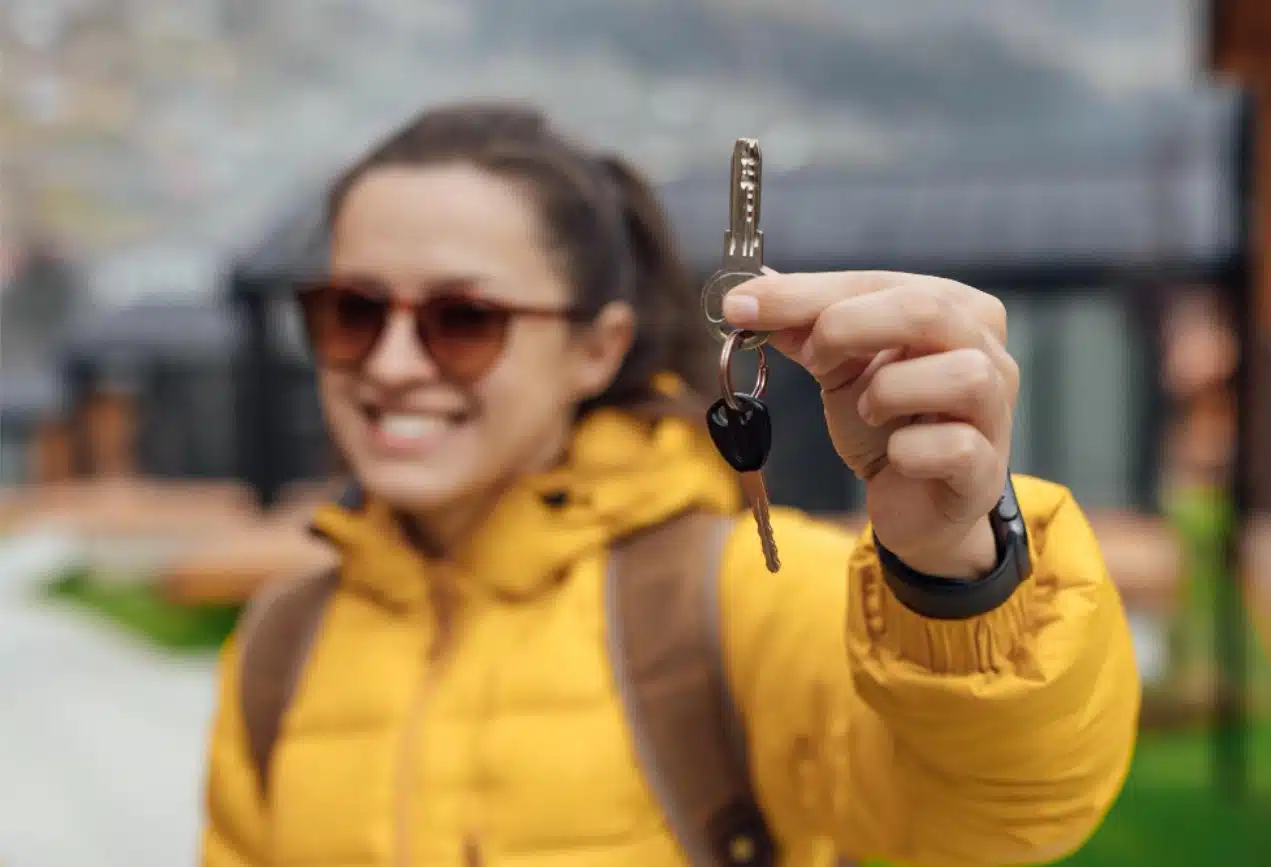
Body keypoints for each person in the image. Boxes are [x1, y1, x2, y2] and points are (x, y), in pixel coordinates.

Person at [200, 104, 1140, 867]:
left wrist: (953, 572)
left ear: (596, 346)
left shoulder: (743, 596)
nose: (393, 363)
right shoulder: (286, 640)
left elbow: (1010, 809)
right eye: (352, 311)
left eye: (464, 317)